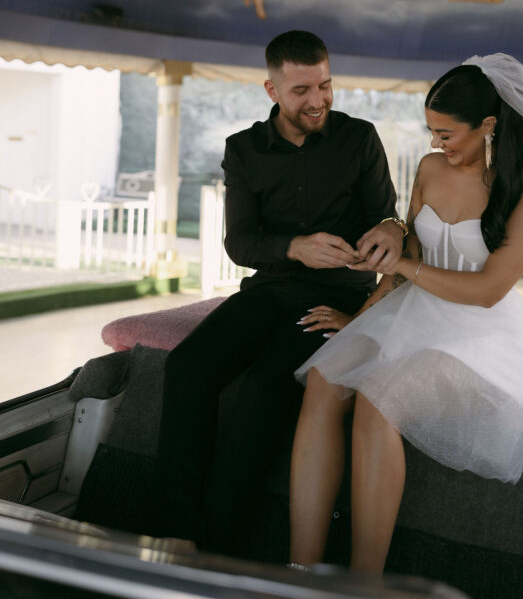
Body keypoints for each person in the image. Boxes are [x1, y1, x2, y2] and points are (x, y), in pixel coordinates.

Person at [289, 53, 523, 574]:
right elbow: (403, 253)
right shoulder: (431, 169)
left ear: (488, 126)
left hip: (477, 334)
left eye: (447, 134)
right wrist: (362, 318)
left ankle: (364, 582)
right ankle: (300, 568)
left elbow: (487, 291)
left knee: (377, 402)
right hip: (409, 313)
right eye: (431, 132)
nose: (436, 144)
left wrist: (407, 266)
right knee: (324, 378)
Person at [148, 30, 406, 550]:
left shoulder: (360, 138)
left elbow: (387, 214)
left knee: (265, 389)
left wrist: (391, 229)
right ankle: (174, 535)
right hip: (266, 291)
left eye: (325, 86)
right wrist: (295, 247)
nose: (318, 101)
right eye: (301, 91)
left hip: (334, 300)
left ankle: (217, 545)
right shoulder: (242, 150)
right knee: (186, 367)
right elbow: (239, 243)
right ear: (272, 90)